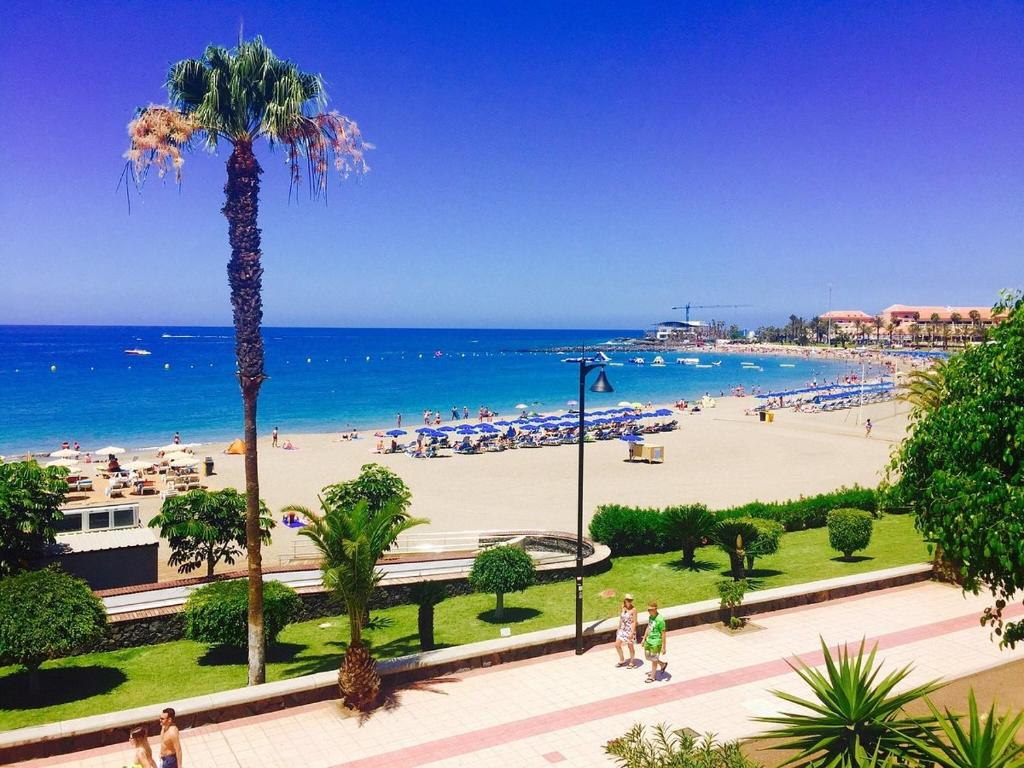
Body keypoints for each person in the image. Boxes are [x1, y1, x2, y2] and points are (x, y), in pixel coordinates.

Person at [641, 602, 668, 683]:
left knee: (654, 659)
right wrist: (644, 638)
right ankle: (662, 664)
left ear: (655, 609)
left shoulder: (660, 619)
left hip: (656, 642)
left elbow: (663, 633)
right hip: (649, 640)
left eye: (650, 610)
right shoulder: (651, 617)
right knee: (647, 656)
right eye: (648, 610)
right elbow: (648, 627)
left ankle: (652, 677)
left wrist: (663, 647)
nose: (649, 611)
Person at [614, 594, 637, 668]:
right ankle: (622, 659)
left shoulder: (634, 610)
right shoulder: (623, 607)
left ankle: (632, 662)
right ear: (625, 600)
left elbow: (634, 622)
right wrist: (618, 628)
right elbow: (621, 618)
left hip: (630, 630)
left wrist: (632, 633)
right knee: (617, 645)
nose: (629, 601)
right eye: (628, 600)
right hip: (622, 629)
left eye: (631, 600)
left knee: (630, 646)